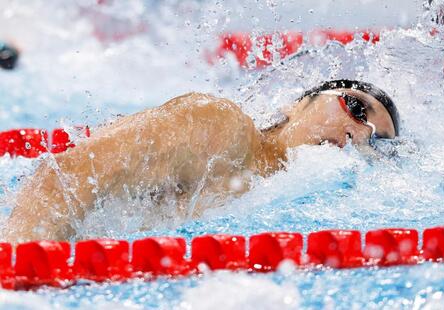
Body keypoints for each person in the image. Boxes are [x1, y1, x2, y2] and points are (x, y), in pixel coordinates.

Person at [2, 80, 399, 243]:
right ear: (296, 105)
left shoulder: (286, 203)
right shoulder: (222, 129)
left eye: (376, 142)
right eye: (356, 108)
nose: (360, 134)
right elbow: (64, 180)